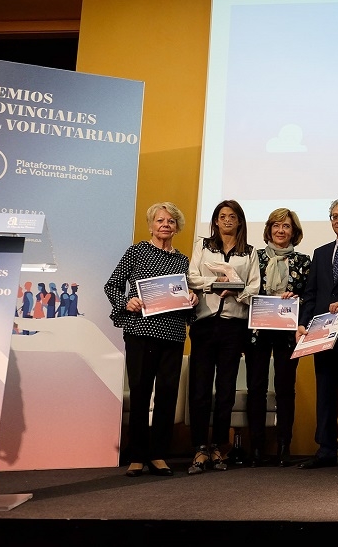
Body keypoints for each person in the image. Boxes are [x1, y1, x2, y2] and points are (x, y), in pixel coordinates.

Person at [104, 202, 197, 477]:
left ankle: (158, 455)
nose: (165, 224)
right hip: (140, 332)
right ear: (151, 225)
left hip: (173, 333)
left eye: (171, 221)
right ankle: (137, 456)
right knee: (141, 393)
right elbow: (112, 284)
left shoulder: (183, 261)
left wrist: (192, 297)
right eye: (160, 220)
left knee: (167, 395)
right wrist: (126, 301)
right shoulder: (136, 251)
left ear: (177, 227)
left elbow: (185, 294)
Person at [186, 199, 261, 475]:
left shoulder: (249, 252)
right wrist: (216, 284)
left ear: (240, 221)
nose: (227, 220)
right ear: (216, 221)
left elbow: (254, 288)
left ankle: (219, 446)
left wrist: (236, 291)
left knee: (226, 389)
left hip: (233, 326)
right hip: (205, 324)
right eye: (222, 216)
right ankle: (199, 448)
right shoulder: (203, 246)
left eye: (232, 216)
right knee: (200, 389)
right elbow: (192, 277)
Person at [297, 198, 338, 471]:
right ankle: (325, 450)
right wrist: (303, 324)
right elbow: (312, 293)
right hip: (321, 334)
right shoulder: (321, 252)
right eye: (335, 216)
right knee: (324, 395)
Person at [246, 207, 311, 467]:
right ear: (269, 229)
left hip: (288, 333)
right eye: (276, 225)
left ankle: (284, 446)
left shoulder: (304, 261)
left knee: (285, 389)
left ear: (294, 231)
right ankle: (256, 448)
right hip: (258, 331)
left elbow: (311, 296)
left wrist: (297, 298)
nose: (280, 230)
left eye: (286, 226)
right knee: (256, 389)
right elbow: (247, 290)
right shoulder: (255, 257)